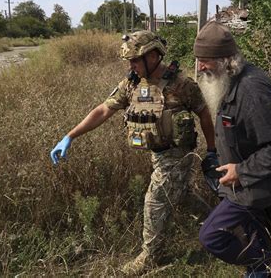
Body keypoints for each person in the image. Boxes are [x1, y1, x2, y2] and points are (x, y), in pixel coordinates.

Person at [50, 31, 216, 275]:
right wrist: (70, 136)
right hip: (157, 154)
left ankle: (150, 256)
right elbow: (103, 110)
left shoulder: (181, 84)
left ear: (153, 56)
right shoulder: (132, 84)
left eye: (135, 60)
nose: (131, 66)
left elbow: (203, 113)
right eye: (129, 61)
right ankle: (222, 226)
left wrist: (211, 151)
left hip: (177, 154)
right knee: (181, 196)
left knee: (155, 200)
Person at [194, 21, 271, 278]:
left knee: (212, 236)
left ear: (225, 59)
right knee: (248, 229)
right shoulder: (228, 80)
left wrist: (241, 170)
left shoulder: (250, 89)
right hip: (238, 181)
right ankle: (259, 270)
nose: (200, 67)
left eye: (205, 60)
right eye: (198, 59)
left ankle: (261, 264)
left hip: (255, 183)